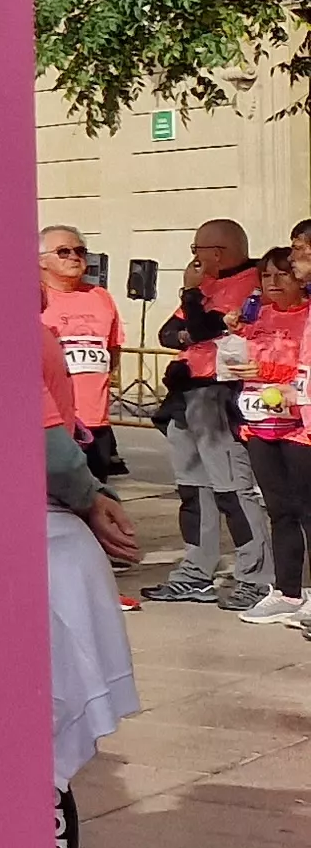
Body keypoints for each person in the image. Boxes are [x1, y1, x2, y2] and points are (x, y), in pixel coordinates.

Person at [40, 314, 144, 848]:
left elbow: (50, 448)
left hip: (34, 547)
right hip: (40, 547)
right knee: (41, 764)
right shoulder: (10, 317)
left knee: (36, 764)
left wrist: (90, 495)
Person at [145, 222, 268, 606]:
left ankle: (256, 576)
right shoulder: (205, 285)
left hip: (221, 393)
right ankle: (196, 570)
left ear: (218, 250)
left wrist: (192, 297)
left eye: (198, 248)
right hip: (187, 394)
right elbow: (170, 333)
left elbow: (199, 326)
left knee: (232, 487)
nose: (194, 256)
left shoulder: (255, 282)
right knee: (193, 489)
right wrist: (194, 321)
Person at [231, 249, 311, 623]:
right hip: (260, 425)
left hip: (299, 428)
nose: (274, 283)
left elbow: (300, 369)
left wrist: (267, 369)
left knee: (307, 511)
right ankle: (287, 592)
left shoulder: (308, 317)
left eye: (283, 275)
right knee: (279, 511)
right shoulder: (256, 316)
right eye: (266, 276)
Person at [40, 226, 123, 488]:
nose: (75, 257)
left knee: (99, 508)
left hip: (96, 425)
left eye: (80, 251)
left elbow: (112, 352)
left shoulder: (100, 297)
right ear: (39, 259)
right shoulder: (32, 296)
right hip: (53, 427)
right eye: (63, 251)